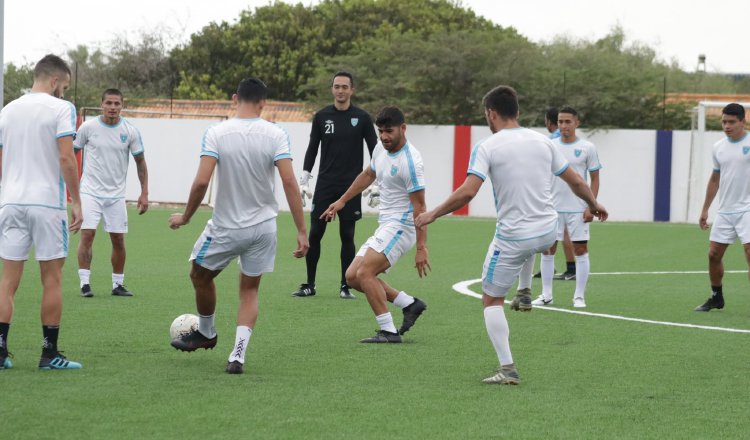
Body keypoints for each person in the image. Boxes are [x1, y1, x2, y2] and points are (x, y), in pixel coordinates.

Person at [415, 86, 607, 385]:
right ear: (516, 111)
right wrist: (595, 205)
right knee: (533, 242)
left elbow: (468, 191)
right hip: (548, 232)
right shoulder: (544, 141)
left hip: (515, 238)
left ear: (491, 113)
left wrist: (432, 214)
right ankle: (525, 290)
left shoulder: (488, 146)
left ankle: (507, 368)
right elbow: (577, 181)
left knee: (490, 299)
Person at [168, 78, 309, 374]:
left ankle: (206, 331)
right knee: (249, 290)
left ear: (235, 99)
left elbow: (202, 181)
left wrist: (186, 217)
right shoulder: (276, 133)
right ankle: (238, 354)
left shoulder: (217, 132)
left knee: (199, 274)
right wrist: (301, 230)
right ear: (263, 103)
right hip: (264, 228)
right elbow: (288, 182)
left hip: (227, 228)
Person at [0, 54, 84, 370]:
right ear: (54, 81)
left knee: (7, 281)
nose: (63, 91)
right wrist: (76, 200)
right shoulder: (62, 108)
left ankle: (0, 351)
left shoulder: (7, 110)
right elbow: (66, 158)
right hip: (47, 204)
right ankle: (49, 354)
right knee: (52, 278)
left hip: (10, 202)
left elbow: (2, 158)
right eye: (63, 85)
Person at [321, 106, 429, 343]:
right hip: (386, 224)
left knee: (365, 272)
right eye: (380, 131)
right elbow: (368, 174)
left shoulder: (411, 161)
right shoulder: (381, 147)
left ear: (403, 128)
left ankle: (389, 331)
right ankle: (409, 304)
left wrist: (422, 247)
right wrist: (341, 201)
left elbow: (420, 207)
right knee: (352, 277)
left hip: (402, 225)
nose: (384, 137)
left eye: (389, 131)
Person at [292, 71, 378, 299]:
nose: (340, 90)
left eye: (345, 87)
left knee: (347, 235)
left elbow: (375, 150)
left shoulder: (362, 117)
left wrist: (377, 180)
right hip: (325, 185)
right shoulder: (321, 117)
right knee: (315, 233)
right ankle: (310, 284)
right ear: (332, 89)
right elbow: (313, 148)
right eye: (337, 86)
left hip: (351, 186)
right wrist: (305, 176)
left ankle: (345, 285)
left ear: (352, 90)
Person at [74, 89, 149, 298]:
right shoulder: (88, 127)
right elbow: (71, 153)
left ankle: (118, 284)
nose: (113, 107)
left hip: (116, 196)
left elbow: (140, 161)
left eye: (117, 103)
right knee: (87, 234)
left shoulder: (130, 131)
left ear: (122, 106)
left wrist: (144, 192)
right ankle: (85, 284)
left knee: (118, 239)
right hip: (90, 192)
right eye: (109, 103)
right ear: (101, 104)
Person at [532, 106, 602, 308]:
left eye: (568, 122)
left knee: (580, 249)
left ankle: (579, 296)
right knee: (547, 250)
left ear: (577, 123)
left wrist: (592, 205)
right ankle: (546, 295)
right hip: (551, 208)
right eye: (560, 122)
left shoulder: (588, 147)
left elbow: (595, 179)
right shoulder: (549, 145)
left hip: (578, 209)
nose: (563, 125)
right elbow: (541, 176)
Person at [695, 103, 750, 312]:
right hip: (726, 211)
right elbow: (715, 178)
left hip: (748, 209)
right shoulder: (718, 147)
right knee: (713, 255)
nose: (727, 126)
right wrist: (705, 209)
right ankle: (716, 297)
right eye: (724, 122)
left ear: (743, 122)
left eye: (731, 122)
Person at [532, 107, 577, 281]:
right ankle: (552, 267)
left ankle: (569, 268)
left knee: (556, 229)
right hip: (565, 189)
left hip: (556, 191)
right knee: (557, 229)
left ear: (547, 121)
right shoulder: (564, 139)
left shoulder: (552, 140)